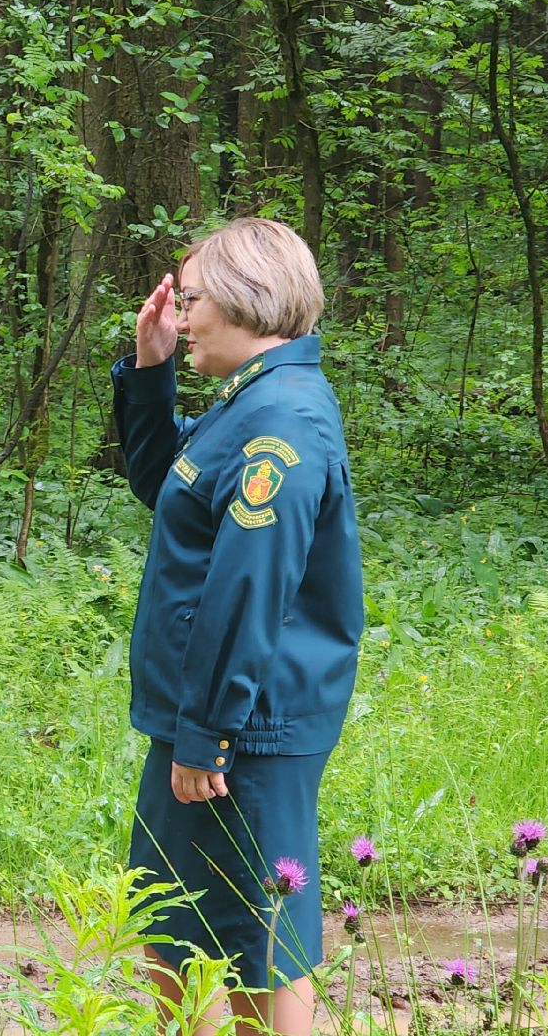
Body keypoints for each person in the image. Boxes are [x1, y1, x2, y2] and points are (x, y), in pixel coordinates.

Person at [110, 219, 363, 1035]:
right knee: (170, 918)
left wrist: (207, 732)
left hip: (242, 730)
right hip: (204, 721)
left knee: (257, 938)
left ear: (249, 301)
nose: (180, 321)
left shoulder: (282, 422)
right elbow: (171, 488)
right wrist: (150, 372)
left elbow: (248, 588)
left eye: (191, 303)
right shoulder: (250, 401)